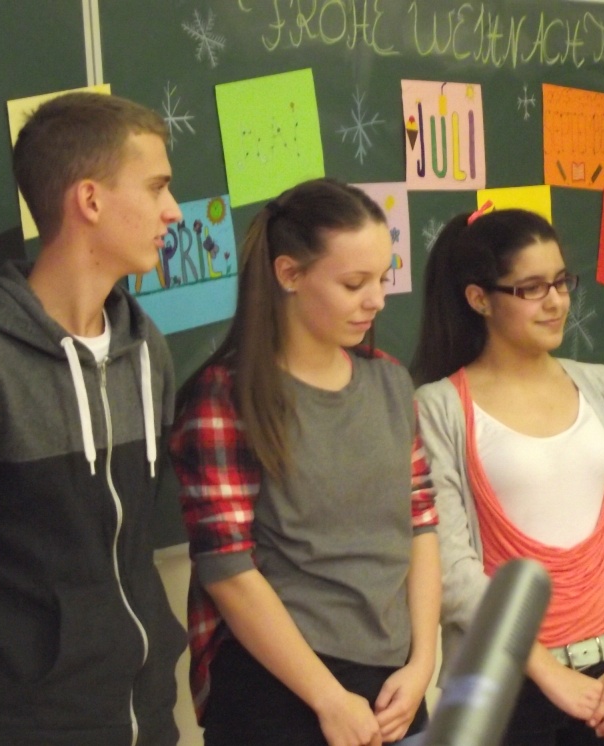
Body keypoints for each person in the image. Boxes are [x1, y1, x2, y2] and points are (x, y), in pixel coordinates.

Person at [0, 92, 187, 745]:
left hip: (146, 719)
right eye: (157, 187)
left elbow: (137, 539)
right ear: (89, 200)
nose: (174, 211)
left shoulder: (145, 350)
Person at [169, 177, 439, 746]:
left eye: (383, 278)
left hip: (392, 684)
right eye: (354, 283)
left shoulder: (390, 380)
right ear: (289, 274)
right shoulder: (227, 395)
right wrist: (327, 698)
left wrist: (422, 664)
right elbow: (227, 569)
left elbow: (421, 522)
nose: (377, 300)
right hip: (280, 688)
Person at [412, 207, 604, 745]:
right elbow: (450, 568)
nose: (556, 301)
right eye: (531, 288)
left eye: (560, 281)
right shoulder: (439, 408)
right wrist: (551, 675)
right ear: (479, 299)